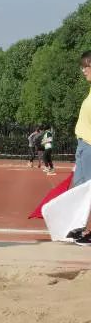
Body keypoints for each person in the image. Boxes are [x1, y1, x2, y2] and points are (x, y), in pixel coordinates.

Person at [71, 52, 91, 245]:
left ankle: (85, 231)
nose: (83, 70)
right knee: (79, 189)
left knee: (88, 190)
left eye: (86, 66)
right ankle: (78, 228)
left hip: (90, 147)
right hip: (84, 146)